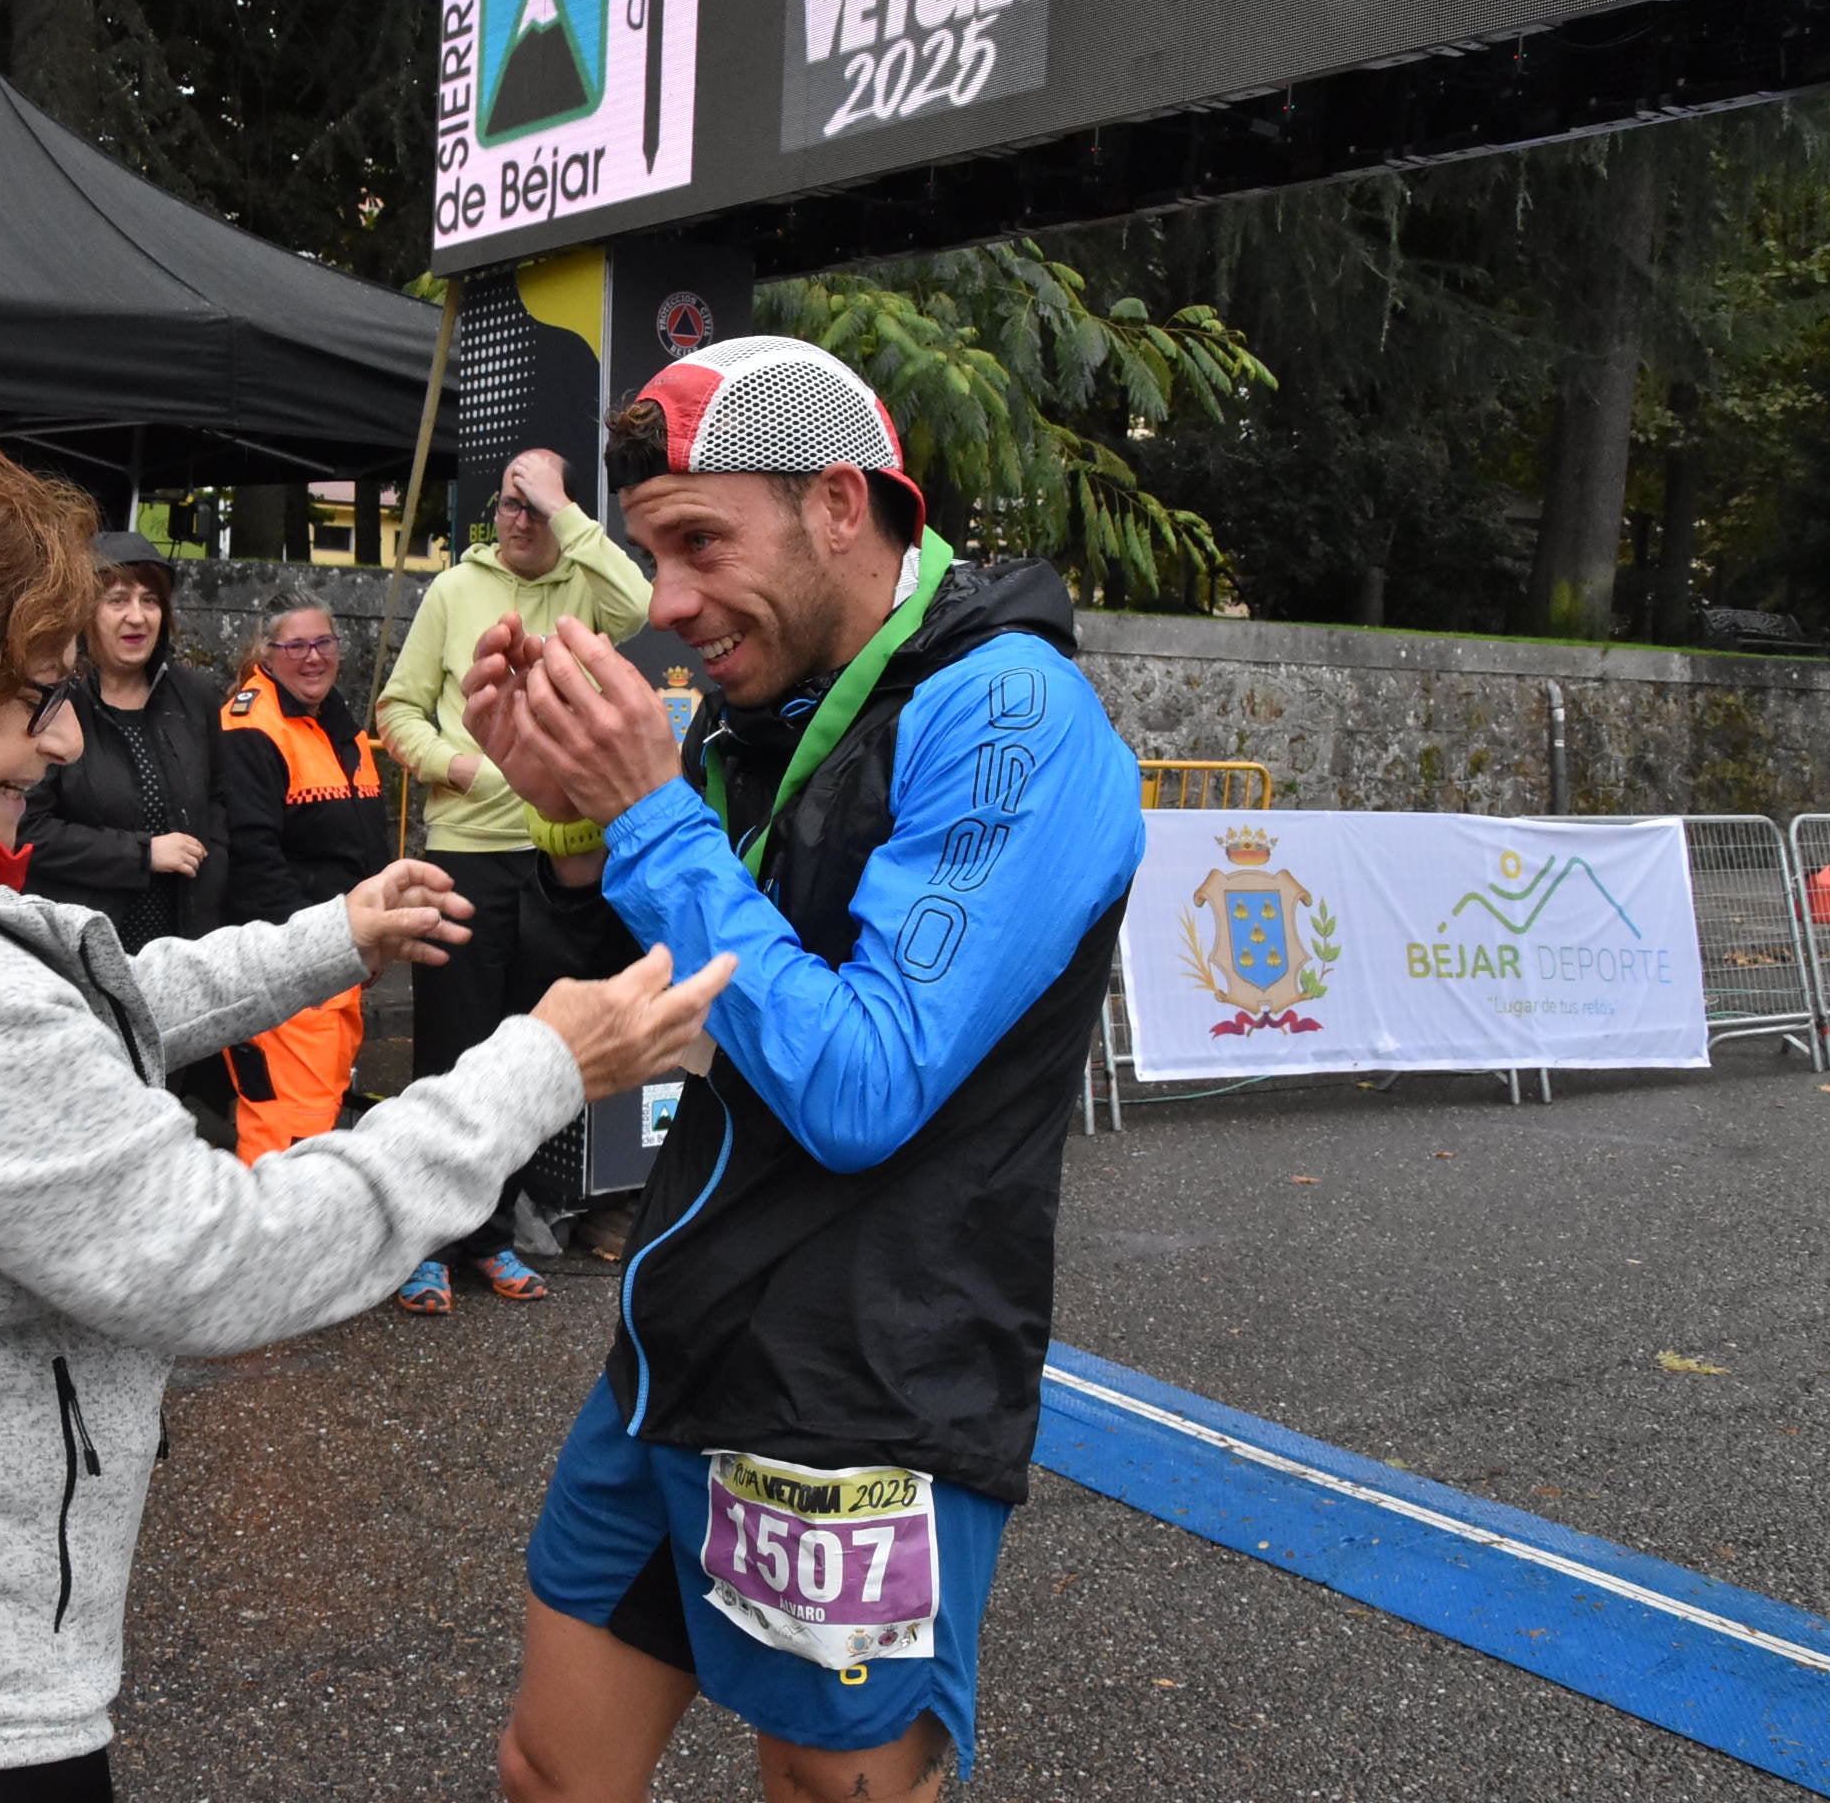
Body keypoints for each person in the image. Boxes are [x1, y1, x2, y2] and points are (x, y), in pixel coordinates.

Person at [0, 429, 731, 1803]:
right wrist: (539, 1067)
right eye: (32, 697)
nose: (62, 738)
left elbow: (66, 1018)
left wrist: (327, 939)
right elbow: (217, 1262)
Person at [461, 337, 1146, 1803]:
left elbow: (861, 1087)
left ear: (843, 502)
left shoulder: (1013, 715)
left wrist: (647, 818)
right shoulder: (760, 704)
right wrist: (575, 819)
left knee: (830, 1793)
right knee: (546, 1770)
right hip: (677, 1343)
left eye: (700, 543)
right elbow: (691, 973)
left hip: (860, 1390)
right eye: (653, 554)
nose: (669, 603)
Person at [376, 446, 651, 1313]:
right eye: (507, 503)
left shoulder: (584, 582)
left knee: (527, 1054)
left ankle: (490, 1233)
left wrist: (567, 513)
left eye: (534, 504)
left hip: (556, 855)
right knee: (448, 1052)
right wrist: (453, 767)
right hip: (462, 851)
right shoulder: (457, 591)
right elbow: (397, 709)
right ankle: (425, 1242)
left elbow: (642, 606)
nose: (518, 517)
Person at [20, 532, 234, 1142]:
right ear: (85, 612)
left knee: (169, 1112)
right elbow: (29, 830)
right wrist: (144, 854)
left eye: (149, 599)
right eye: (115, 599)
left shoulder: (194, 697)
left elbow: (217, 803)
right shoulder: (55, 701)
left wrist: (212, 888)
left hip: (182, 943)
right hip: (90, 955)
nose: (135, 616)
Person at [216, 588, 390, 1164]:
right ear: (266, 653)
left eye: (324, 642)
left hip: (340, 958)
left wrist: (373, 938)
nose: (313, 657)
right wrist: (310, 956)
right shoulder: (253, 727)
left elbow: (366, 841)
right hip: (289, 963)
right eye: (296, 646)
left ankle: (307, 1243)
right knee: (287, 1129)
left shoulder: (336, 723)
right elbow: (252, 858)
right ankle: (277, 1249)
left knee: (319, 1115)